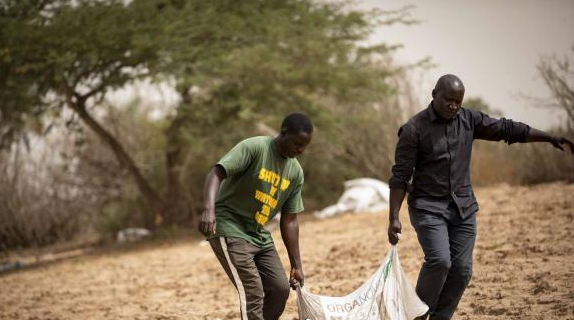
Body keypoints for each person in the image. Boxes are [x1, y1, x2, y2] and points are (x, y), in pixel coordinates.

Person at [387, 74, 574, 320]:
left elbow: (507, 129)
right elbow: (400, 177)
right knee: (440, 261)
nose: (453, 106)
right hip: (428, 208)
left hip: (463, 208)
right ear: (434, 95)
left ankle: (441, 317)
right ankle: (417, 315)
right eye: (448, 100)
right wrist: (393, 218)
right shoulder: (413, 130)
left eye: (458, 101)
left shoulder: (468, 119)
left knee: (462, 270)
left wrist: (549, 137)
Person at [198, 113, 313, 320]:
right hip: (230, 227)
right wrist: (208, 209)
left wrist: (296, 265)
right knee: (253, 293)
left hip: (258, 234)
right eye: (297, 144)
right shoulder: (255, 147)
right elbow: (217, 173)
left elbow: (290, 220)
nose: (300, 150)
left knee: (279, 289)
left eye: (305, 146)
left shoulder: (295, 172)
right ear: (283, 133)